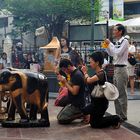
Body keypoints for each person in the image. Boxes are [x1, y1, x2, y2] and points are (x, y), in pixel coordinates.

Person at [81, 51, 122, 128]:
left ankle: (116, 118)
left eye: (91, 62)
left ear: (97, 63)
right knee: (91, 119)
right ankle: (91, 116)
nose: (90, 64)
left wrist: (85, 72)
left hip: (100, 104)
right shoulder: (96, 73)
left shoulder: (101, 73)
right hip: (95, 102)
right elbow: (87, 80)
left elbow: (89, 80)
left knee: (95, 124)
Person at [104, 24, 129, 121]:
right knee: (116, 93)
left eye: (115, 30)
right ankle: (118, 115)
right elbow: (111, 53)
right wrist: (106, 46)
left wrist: (109, 44)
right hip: (116, 69)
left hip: (122, 69)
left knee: (121, 93)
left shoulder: (125, 41)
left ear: (120, 31)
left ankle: (123, 115)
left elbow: (118, 53)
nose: (113, 32)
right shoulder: (117, 42)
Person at [57, 59, 86, 124]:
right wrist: (63, 84)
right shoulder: (73, 73)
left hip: (77, 105)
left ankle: (82, 113)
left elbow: (74, 92)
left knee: (62, 119)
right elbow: (70, 84)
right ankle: (81, 113)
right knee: (59, 117)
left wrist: (65, 82)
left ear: (69, 66)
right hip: (72, 102)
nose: (65, 72)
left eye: (65, 70)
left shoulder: (77, 75)